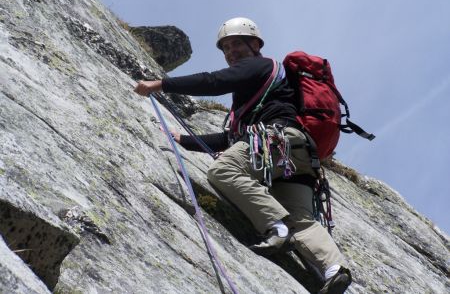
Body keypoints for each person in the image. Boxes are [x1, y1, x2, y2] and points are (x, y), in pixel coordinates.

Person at [134, 17, 352, 293]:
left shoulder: (261, 66)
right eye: (225, 48)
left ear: (255, 44)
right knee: (302, 219)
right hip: (298, 157)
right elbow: (231, 138)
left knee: (223, 171)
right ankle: (335, 269)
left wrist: (161, 84)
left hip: (277, 141)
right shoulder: (259, 92)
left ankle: (276, 225)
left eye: (237, 43)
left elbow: (214, 81)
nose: (231, 52)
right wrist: (185, 140)